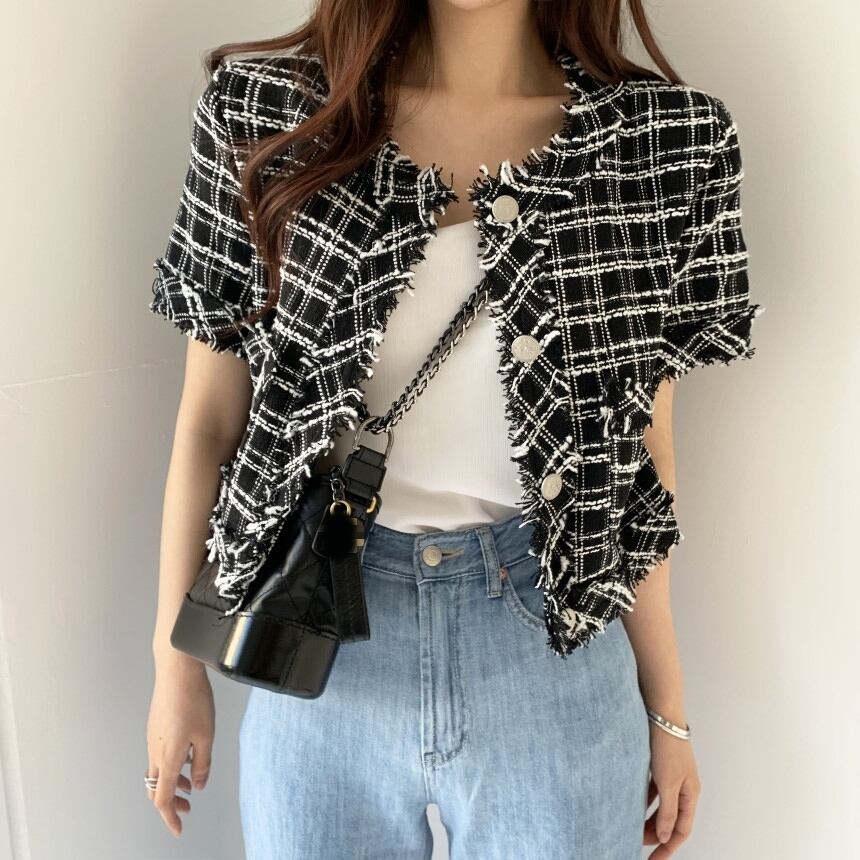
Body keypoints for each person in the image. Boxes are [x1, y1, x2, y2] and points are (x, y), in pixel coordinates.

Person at [145, 1, 762, 857]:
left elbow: (638, 471)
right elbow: (211, 424)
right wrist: (174, 665)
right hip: (317, 652)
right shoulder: (267, 115)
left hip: (551, 656)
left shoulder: (665, 145)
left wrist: (668, 710)